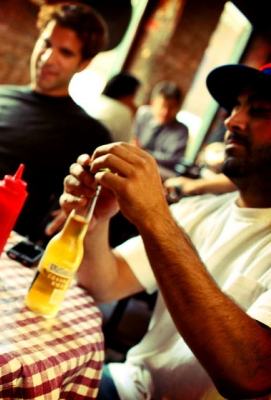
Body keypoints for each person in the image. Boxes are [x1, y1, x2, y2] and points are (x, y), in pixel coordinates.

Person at [59, 62, 271, 399]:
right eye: (235, 107)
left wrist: (155, 217)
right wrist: (95, 221)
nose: (232, 121)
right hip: (129, 386)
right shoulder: (201, 210)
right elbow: (104, 284)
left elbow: (252, 373)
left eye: (259, 110)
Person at [0, 3, 112, 244]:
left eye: (65, 52)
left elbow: (97, 202)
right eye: (47, 43)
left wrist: (81, 210)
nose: (48, 58)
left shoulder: (89, 133)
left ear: (83, 64)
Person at [132, 80, 189, 181]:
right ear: (152, 104)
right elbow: (133, 138)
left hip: (159, 169)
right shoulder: (143, 114)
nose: (166, 112)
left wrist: (145, 153)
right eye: (163, 106)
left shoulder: (182, 130)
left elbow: (174, 160)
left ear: (179, 108)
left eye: (172, 107)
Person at [79, 71, 141, 143]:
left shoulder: (94, 100)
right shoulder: (123, 112)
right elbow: (122, 145)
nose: (133, 102)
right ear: (127, 94)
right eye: (134, 95)